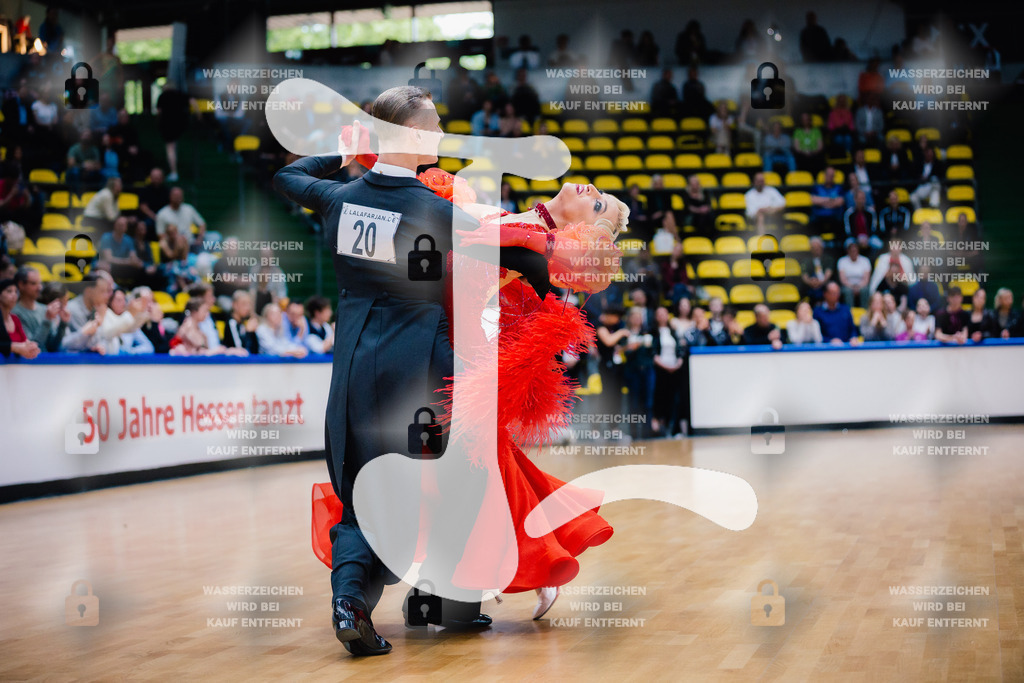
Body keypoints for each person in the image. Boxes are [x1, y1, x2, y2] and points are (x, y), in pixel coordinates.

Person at [652, 306, 684, 436]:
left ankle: (674, 428)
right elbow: (653, 353)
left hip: (675, 369)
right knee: (660, 398)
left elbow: (680, 349)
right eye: (659, 314)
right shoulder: (653, 332)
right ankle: (661, 426)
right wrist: (665, 366)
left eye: (664, 314)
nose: (662, 316)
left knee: (674, 399)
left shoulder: (673, 331)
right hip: (661, 370)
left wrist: (678, 363)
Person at [156, 82, 191, 182]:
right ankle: (174, 171)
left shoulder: (162, 96)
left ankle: (174, 172)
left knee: (170, 148)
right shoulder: (179, 95)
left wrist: (158, 122)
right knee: (173, 147)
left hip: (168, 126)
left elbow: (159, 112)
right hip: (178, 125)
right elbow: (192, 101)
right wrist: (198, 114)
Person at [0, 277, 39, 359]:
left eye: (16, 292)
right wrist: (15, 347)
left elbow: (24, 341)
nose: (14, 295)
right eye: (9, 291)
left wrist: (31, 347)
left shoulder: (15, 319)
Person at [222, 290, 259, 354]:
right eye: (244, 304)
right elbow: (240, 350)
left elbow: (255, 351)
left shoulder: (242, 324)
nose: (247, 308)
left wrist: (252, 333)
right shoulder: (232, 323)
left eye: (249, 304)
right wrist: (248, 332)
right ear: (234, 305)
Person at [810, 166, 844, 235]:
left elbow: (840, 202)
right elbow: (814, 200)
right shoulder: (817, 188)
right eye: (829, 175)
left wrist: (822, 202)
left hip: (835, 217)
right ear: (825, 175)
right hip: (819, 218)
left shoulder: (839, 188)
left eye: (832, 175)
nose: (830, 177)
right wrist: (830, 200)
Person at [837, 241, 871, 308]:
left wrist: (858, 287)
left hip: (862, 285)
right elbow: (843, 279)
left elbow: (866, 279)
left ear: (858, 251)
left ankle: (865, 311)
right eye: (852, 251)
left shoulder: (865, 260)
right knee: (847, 291)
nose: (853, 252)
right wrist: (852, 287)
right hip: (847, 285)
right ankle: (849, 312)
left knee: (865, 290)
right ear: (848, 251)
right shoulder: (842, 261)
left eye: (855, 250)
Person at [799, 237, 834, 303]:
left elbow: (828, 273)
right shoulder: (805, 260)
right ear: (811, 249)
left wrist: (821, 282)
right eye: (814, 248)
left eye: (818, 247)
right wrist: (810, 282)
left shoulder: (828, 259)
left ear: (822, 247)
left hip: (824, 283)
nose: (816, 249)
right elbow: (804, 275)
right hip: (810, 285)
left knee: (831, 286)